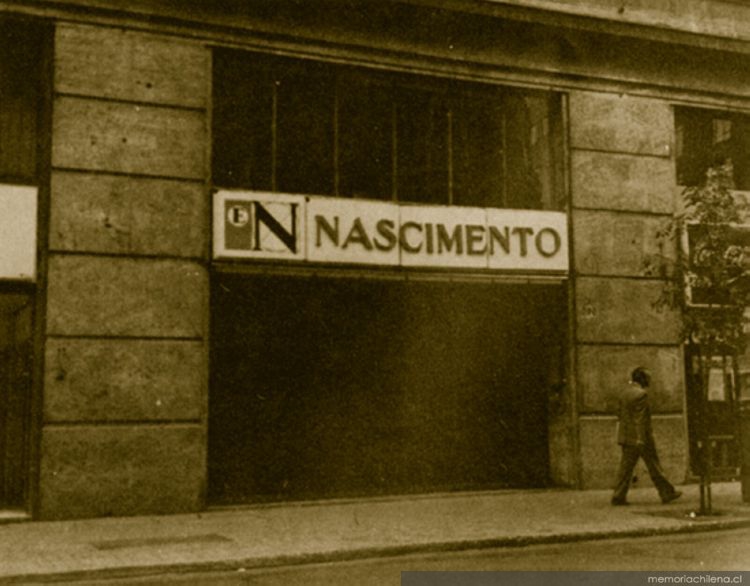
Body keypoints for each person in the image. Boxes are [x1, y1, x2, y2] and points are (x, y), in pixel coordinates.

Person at [611, 367, 682, 506]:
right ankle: (666, 493)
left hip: (626, 437)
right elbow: (640, 419)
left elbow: (619, 414)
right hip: (641, 438)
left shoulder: (623, 393)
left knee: (626, 468)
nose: (650, 380)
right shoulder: (641, 394)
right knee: (654, 466)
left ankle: (618, 496)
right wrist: (640, 439)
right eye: (648, 377)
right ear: (642, 379)